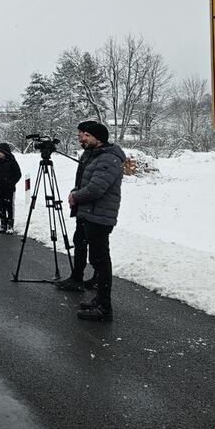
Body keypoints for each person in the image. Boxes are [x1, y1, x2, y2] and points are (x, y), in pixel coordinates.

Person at [57, 120, 125, 322]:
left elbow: (96, 188)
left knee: (100, 261)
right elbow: (84, 183)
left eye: (85, 135)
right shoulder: (92, 155)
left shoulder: (109, 159)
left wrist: (76, 197)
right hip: (88, 213)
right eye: (80, 135)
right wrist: (74, 192)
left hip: (99, 216)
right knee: (89, 251)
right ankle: (97, 299)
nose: (81, 138)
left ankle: (104, 307)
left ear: (98, 137)